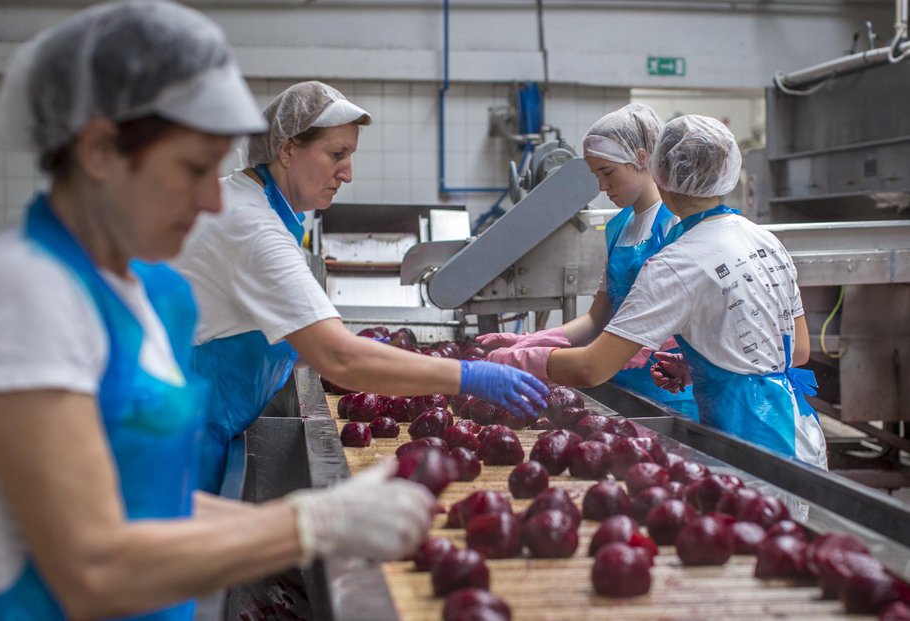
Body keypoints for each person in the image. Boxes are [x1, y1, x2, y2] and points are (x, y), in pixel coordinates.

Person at [0, 3, 436, 619]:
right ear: (98, 151)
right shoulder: (23, 291)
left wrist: (290, 523)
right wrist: (308, 524)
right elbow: (92, 563)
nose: (210, 198)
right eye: (193, 169)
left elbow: (153, 502)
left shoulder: (141, 296)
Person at [173, 80, 549, 493]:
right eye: (336, 154)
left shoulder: (243, 202)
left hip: (190, 428)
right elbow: (339, 359)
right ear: (287, 149)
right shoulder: (253, 227)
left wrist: (383, 361)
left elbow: (283, 338)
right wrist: (470, 376)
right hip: (176, 443)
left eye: (350, 156)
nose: (348, 173)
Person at [488, 115, 826, 469]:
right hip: (800, 433)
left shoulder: (676, 260)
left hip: (748, 439)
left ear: (657, 171)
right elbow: (798, 350)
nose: (602, 185)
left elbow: (592, 368)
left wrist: (511, 362)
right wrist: (701, 366)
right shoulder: (763, 238)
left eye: (606, 172)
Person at [477, 103, 698, 419]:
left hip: (672, 392)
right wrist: (529, 341)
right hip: (621, 387)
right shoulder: (618, 227)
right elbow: (597, 318)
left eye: (608, 173)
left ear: (641, 157)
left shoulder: (675, 224)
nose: (601, 186)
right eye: (596, 175)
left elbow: (674, 328)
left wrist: (538, 358)